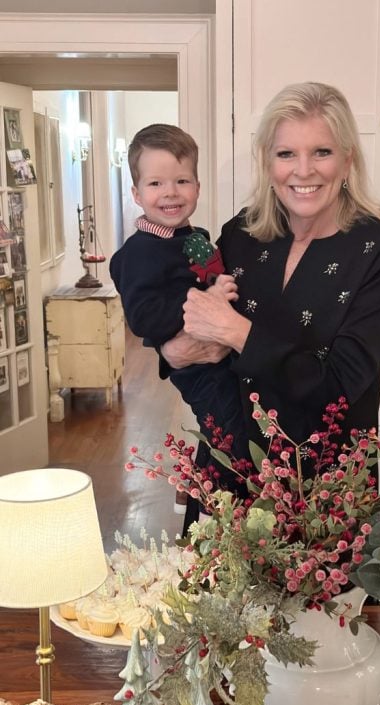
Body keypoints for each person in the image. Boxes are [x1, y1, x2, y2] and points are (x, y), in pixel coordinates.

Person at [158, 81, 380, 455]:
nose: (303, 170)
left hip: (321, 484)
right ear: (267, 161)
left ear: (347, 160)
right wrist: (171, 352)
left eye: (321, 152)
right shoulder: (240, 233)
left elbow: (339, 387)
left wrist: (236, 331)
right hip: (228, 463)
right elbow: (193, 331)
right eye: (287, 153)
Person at [110, 124, 247, 459]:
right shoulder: (139, 252)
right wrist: (204, 303)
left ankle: (204, 493)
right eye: (156, 183)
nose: (170, 192)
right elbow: (143, 319)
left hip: (231, 358)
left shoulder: (194, 236)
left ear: (197, 188)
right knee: (232, 444)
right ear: (137, 194)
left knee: (244, 431)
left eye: (181, 181)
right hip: (201, 371)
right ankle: (214, 499)